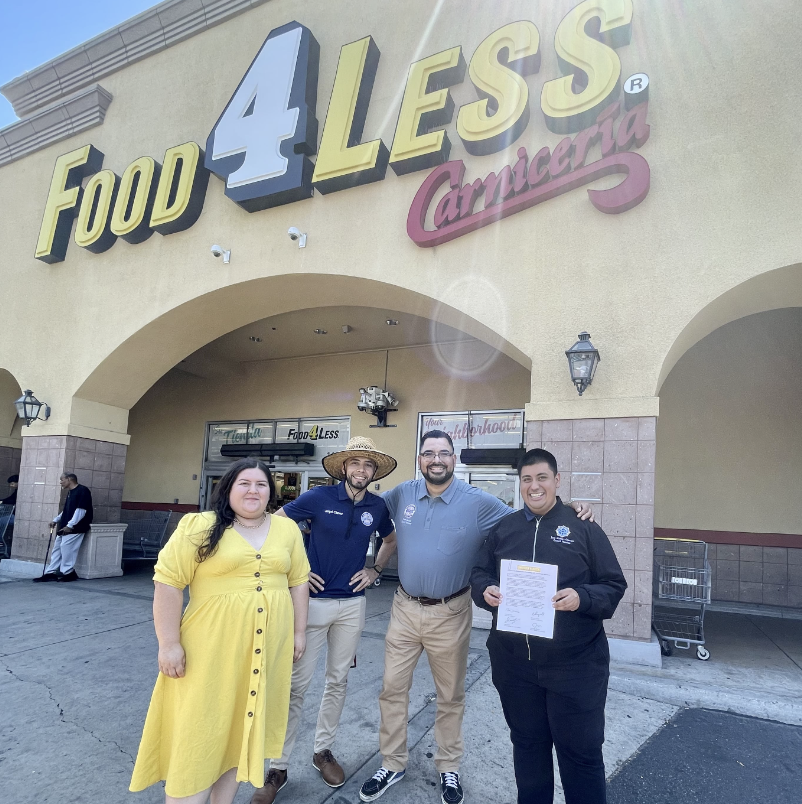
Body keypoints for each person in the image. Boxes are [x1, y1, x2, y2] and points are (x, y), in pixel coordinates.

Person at [359, 431, 593, 804]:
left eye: (444, 453)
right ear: (420, 459)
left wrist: (570, 509)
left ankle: (447, 767)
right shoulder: (402, 494)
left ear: (454, 459)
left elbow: (528, 519)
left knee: (449, 696)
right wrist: (375, 568)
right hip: (403, 608)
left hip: (450, 612)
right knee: (391, 689)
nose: (436, 459)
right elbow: (364, 512)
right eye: (428, 453)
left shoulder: (479, 502)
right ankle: (393, 762)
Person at [130, 458, 310, 804]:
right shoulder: (198, 526)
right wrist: (168, 643)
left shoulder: (286, 530)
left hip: (266, 651)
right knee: (201, 730)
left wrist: (299, 632)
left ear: (270, 492)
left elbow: (299, 581)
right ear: (227, 488)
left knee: (240, 729)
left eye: (261, 484)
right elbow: (167, 582)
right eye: (245, 483)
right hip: (208, 651)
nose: (253, 490)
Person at [471, 448, 626, 804]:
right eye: (527, 479)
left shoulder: (584, 527)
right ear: (520, 483)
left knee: (581, 755)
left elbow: (613, 586)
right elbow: (479, 572)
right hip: (515, 666)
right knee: (528, 747)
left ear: (557, 481)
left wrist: (581, 597)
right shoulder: (505, 528)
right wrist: (485, 590)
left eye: (542, 477)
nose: (534, 486)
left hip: (575, 668)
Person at [251, 437, 398, 804]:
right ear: (344, 467)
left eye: (368, 465)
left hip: (352, 606)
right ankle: (278, 767)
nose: (361, 470)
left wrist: (375, 569)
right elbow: (278, 524)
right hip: (311, 604)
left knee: (338, 681)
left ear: (374, 471)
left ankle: (323, 752)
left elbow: (391, 539)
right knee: (295, 686)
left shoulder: (378, 507)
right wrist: (293, 571)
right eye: (356, 463)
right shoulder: (318, 498)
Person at [33, 473, 93, 583]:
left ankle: (69, 572)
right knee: (57, 548)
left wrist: (70, 525)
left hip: (76, 527)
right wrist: (56, 520)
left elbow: (81, 510)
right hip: (66, 525)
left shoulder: (83, 491)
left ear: (69, 479)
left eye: (62, 480)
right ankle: (50, 572)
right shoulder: (71, 492)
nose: (60, 482)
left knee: (67, 548)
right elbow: (66, 510)